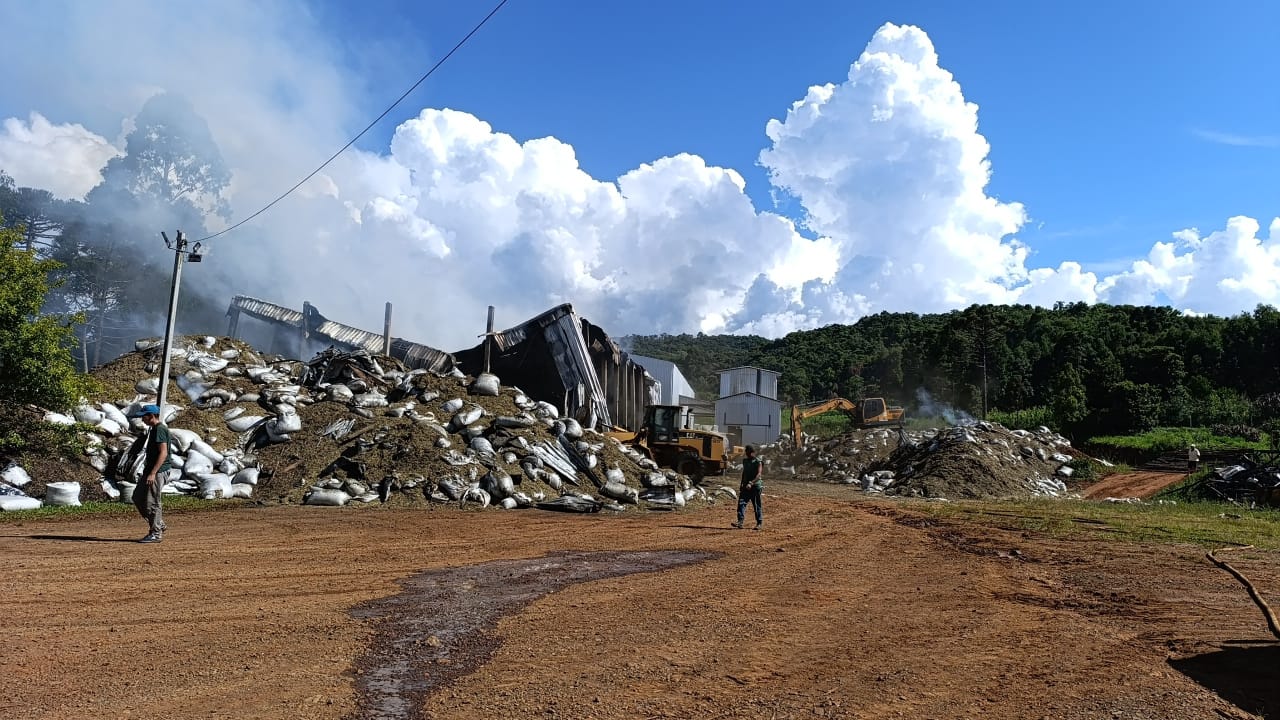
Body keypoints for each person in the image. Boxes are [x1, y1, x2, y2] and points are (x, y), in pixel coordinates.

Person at [131, 404, 174, 543]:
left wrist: (153, 473)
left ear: (151, 416)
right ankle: (159, 524)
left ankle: (155, 533)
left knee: (152, 501)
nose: (142, 419)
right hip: (150, 470)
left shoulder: (160, 429)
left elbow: (163, 453)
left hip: (158, 471)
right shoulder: (153, 429)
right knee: (137, 497)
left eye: (143, 417)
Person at [732, 445, 763, 531]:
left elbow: (759, 475)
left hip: (755, 486)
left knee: (756, 505)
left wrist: (751, 483)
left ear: (753, 452)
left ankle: (759, 523)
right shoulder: (745, 461)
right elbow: (744, 473)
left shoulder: (758, 462)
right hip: (746, 486)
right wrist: (742, 484)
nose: (748, 454)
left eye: (749, 453)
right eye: (747, 453)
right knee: (741, 502)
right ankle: (740, 522)